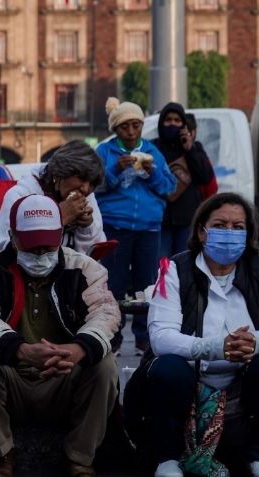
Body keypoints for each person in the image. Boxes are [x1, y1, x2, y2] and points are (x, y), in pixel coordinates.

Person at [0, 194, 120, 477]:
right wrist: (21, 351)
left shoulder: (85, 268)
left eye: (48, 245)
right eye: (32, 247)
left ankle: (80, 458)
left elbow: (106, 315)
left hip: (64, 376)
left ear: (61, 235)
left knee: (105, 365)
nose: (41, 254)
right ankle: (2, 454)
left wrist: (78, 350)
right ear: (12, 237)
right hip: (12, 379)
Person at [139, 193, 259, 477]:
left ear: (248, 233)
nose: (229, 233)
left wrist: (255, 342)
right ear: (202, 232)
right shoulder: (174, 269)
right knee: (168, 368)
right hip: (191, 378)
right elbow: (161, 337)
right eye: (220, 224)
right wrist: (216, 347)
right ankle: (167, 458)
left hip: (244, 379)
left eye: (238, 227)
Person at [96, 97, 176, 354]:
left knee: (147, 285)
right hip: (114, 226)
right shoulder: (105, 152)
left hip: (148, 228)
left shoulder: (152, 152)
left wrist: (152, 173)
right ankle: (113, 334)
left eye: (136, 126)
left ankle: (144, 336)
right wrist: (115, 170)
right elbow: (95, 186)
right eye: (124, 127)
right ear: (115, 130)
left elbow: (169, 188)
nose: (131, 132)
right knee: (113, 284)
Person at [0, 140, 106, 259]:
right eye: (82, 179)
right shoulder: (20, 195)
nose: (85, 189)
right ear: (59, 173)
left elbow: (93, 255)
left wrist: (87, 227)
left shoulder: (87, 196)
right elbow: (8, 248)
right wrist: (58, 219)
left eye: (92, 184)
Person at [152, 102, 215, 258]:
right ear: (161, 122)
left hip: (187, 221)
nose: (172, 124)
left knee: (184, 265)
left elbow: (205, 177)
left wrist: (190, 150)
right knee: (162, 268)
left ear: (183, 124)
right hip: (161, 221)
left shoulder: (195, 147)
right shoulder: (153, 148)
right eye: (168, 120)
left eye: (177, 120)